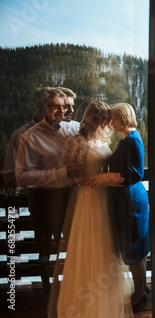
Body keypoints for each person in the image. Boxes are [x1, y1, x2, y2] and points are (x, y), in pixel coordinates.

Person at [48, 101, 133, 317]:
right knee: (86, 246)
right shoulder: (76, 141)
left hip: (104, 197)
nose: (105, 123)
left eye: (105, 119)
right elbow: (68, 172)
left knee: (105, 246)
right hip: (86, 198)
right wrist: (84, 180)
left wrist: (105, 180)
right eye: (101, 119)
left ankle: (105, 300)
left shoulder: (104, 138)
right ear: (90, 118)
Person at [15, 87, 84, 294]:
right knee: (45, 249)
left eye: (68, 107)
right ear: (44, 108)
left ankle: (74, 289)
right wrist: (62, 173)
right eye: (58, 107)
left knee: (75, 246)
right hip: (43, 199)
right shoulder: (31, 137)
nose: (65, 111)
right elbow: (22, 176)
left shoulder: (77, 128)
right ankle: (48, 293)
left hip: (72, 197)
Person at [88, 103, 150, 310]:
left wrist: (103, 178)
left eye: (112, 119)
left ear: (121, 118)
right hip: (130, 198)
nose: (110, 123)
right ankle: (143, 287)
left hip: (130, 200)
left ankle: (139, 293)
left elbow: (133, 174)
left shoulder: (131, 139)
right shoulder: (129, 138)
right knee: (136, 245)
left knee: (133, 246)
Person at [3, 87, 46, 192]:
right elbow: (9, 178)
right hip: (28, 198)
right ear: (36, 107)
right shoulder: (21, 136)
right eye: (42, 106)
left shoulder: (66, 133)